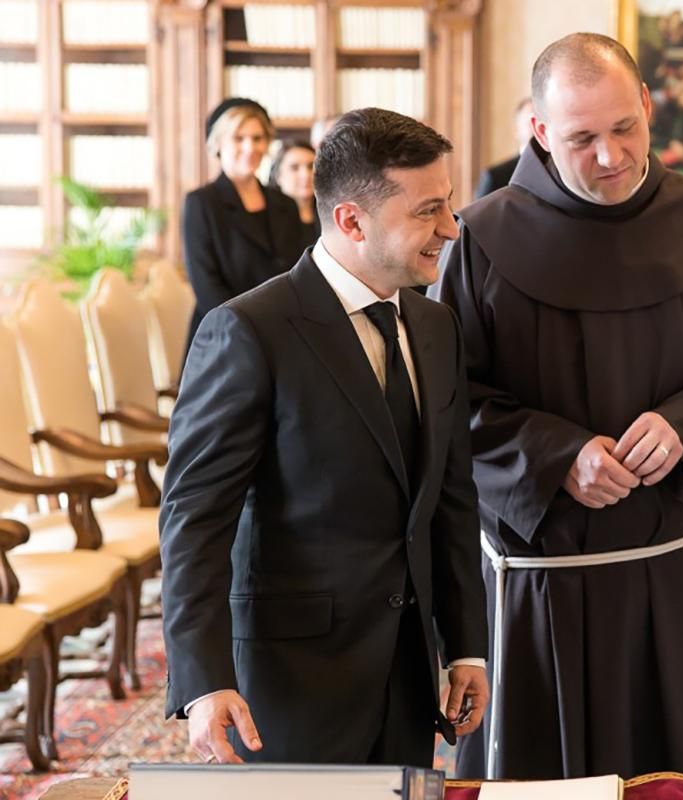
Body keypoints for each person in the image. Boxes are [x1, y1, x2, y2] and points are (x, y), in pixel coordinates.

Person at [431, 33, 683, 781]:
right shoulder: (480, 238)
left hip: (675, 566)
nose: (610, 156)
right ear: (540, 132)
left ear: (647, 106)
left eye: (624, 128)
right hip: (539, 582)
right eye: (582, 139)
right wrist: (555, 456)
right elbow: (451, 406)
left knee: (677, 780)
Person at [160, 108, 489, 766]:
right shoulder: (248, 331)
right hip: (289, 682)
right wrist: (203, 680)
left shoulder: (436, 327)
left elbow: (450, 500)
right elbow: (194, 517)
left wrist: (464, 645)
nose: (451, 230)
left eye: (449, 206)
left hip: (408, 673)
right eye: (428, 212)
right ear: (351, 220)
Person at [181, 98, 306, 356]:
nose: (250, 147)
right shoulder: (202, 204)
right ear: (218, 144)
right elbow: (207, 287)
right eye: (239, 138)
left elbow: (297, 274)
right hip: (225, 339)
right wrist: (253, 336)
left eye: (258, 138)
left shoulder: (284, 204)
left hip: (281, 335)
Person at [473, 97, 533, 198]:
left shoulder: (561, 173)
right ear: (517, 130)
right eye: (530, 123)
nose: (537, 128)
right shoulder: (495, 177)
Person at [269, 138, 320, 247]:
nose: (305, 175)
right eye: (294, 168)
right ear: (278, 176)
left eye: (311, 166)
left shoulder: (330, 214)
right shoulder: (267, 218)